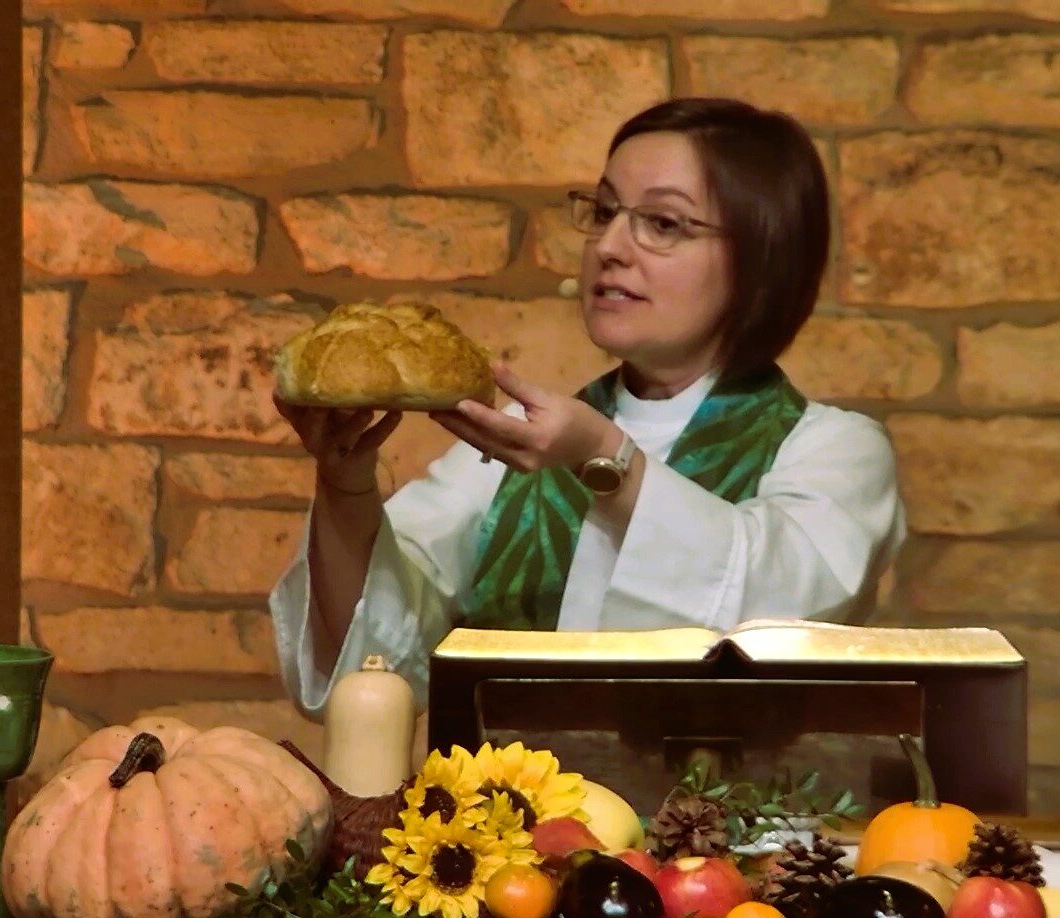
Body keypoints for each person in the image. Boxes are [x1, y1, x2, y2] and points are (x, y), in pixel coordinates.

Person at [270, 97, 905, 714]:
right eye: (604, 212)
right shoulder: (521, 441)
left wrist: (603, 459)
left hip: (727, 822)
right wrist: (346, 485)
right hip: (508, 820)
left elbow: (776, 605)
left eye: (662, 223)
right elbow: (376, 662)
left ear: (762, 259)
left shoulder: (833, 450)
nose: (609, 246)